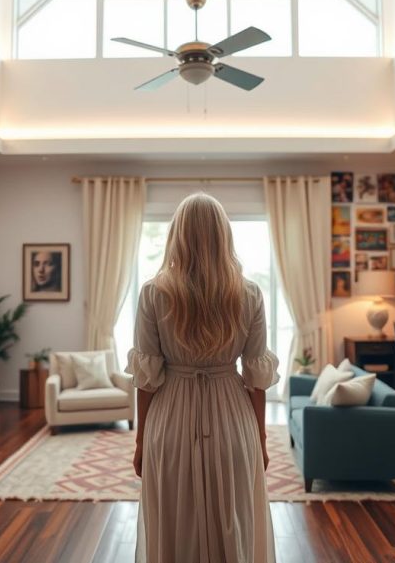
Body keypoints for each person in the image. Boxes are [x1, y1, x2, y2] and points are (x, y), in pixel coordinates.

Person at [126, 193, 279, 563]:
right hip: (232, 420)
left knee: (173, 521)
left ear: (178, 234)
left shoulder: (153, 293)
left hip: (170, 421)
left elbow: (147, 380)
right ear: (223, 235)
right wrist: (259, 438)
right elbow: (256, 380)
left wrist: (142, 439)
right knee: (235, 518)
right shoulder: (249, 293)